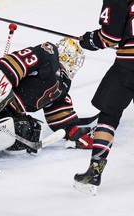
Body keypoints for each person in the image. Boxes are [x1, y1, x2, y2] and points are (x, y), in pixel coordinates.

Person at [73, 0, 134, 195]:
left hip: (128, 66)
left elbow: (110, 37)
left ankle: (94, 171)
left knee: (109, 115)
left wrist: (90, 40)